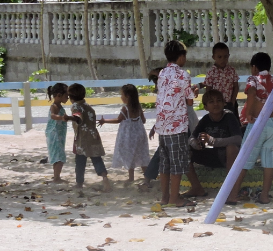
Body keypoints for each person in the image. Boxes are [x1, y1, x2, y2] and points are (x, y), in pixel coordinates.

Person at [241, 51, 273, 204]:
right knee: (269, 162)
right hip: (271, 124)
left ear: (254, 67)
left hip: (257, 123)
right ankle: (264, 195)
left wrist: (248, 113)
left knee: (243, 159)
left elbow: (251, 93)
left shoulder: (253, 79)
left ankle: (231, 193)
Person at [154, 40, 194, 207]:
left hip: (162, 125)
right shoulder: (183, 75)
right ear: (181, 56)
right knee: (177, 163)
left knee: (165, 163)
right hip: (177, 126)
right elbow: (190, 101)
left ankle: (164, 197)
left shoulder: (162, 73)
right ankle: (174, 198)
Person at [187, 87, 245, 202]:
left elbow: (238, 138)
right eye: (211, 102)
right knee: (184, 151)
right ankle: (197, 187)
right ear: (205, 107)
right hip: (211, 154)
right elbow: (192, 137)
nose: (216, 104)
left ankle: (230, 190)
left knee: (232, 147)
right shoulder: (205, 119)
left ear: (224, 103)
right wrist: (196, 144)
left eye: (219, 100)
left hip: (227, 157)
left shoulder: (229, 117)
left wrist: (214, 141)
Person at [99, 84, 150, 186]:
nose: (121, 97)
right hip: (140, 135)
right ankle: (147, 178)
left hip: (129, 137)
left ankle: (131, 177)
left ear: (127, 96)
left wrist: (104, 121)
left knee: (130, 155)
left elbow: (118, 120)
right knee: (142, 155)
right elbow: (143, 121)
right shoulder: (138, 107)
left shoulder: (125, 109)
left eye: (122, 94)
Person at [66, 83, 113, 193]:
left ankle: (79, 183)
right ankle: (105, 178)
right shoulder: (88, 106)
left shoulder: (76, 106)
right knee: (97, 158)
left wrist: (69, 117)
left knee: (80, 161)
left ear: (71, 97)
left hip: (83, 138)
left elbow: (78, 117)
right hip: (94, 136)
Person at [203, 42, 240, 114]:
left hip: (230, 103)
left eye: (225, 57)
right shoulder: (211, 72)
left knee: (233, 123)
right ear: (213, 57)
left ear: (228, 56)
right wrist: (210, 104)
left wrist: (232, 102)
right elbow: (208, 90)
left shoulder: (232, 70)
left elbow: (236, 87)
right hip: (216, 105)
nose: (223, 59)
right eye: (219, 57)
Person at [45, 83, 70, 183]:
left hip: (59, 135)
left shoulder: (60, 106)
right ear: (59, 95)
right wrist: (62, 118)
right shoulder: (54, 106)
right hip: (55, 135)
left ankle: (56, 176)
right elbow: (53, 116)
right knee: (58, 156)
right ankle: (56, 177)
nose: (68, 98)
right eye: (66, 95)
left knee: (57, 154)